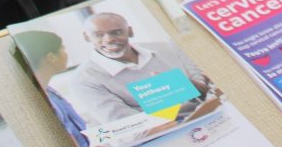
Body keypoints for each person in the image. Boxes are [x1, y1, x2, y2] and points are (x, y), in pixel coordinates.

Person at [71, 11, 212, 123]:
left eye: (116, 32)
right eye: (99, 35)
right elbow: (127, 125)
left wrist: (182, 85)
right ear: (87, 37)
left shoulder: (167, 48)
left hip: (206, 116)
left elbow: (207, 93)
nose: (108, 39)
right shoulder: (84, 80)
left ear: (130, 31)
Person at [13, 30, 89, 147]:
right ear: (51, 57)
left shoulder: (48, 91)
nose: (66, 53)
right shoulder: (39, 100)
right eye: (63, 49)